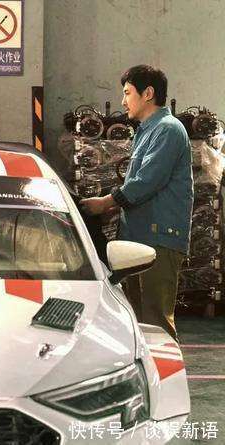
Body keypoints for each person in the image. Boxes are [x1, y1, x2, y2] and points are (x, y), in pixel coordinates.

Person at [80, 65, 193, 340]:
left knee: (155, 323)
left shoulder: (168, 130)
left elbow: (146, 181)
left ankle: (164, 370)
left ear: (148, 93)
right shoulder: (147, 130)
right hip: (139, 238)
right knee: (137, 324)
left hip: (158, 241)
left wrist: (105, 203)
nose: (123, 101)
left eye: (127, 93)